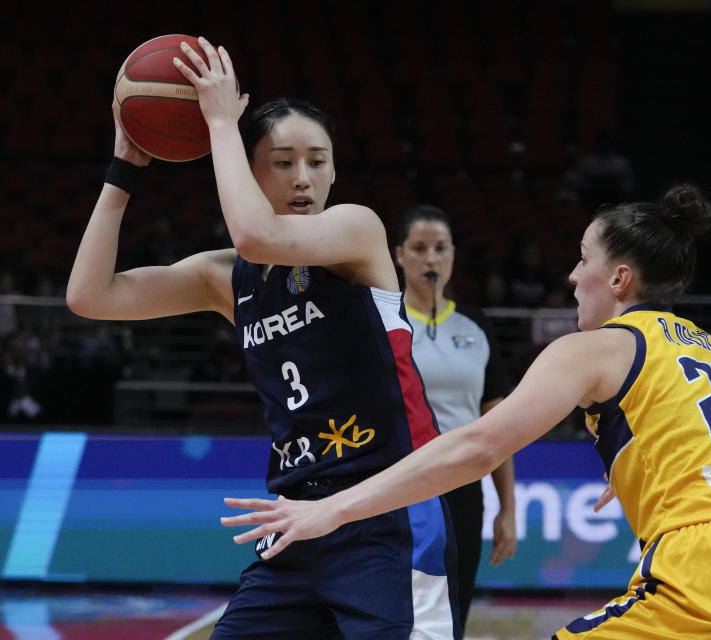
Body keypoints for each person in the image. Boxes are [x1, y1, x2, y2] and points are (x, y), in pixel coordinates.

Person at [222, 184, 711, 639]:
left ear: (621, 279)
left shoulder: (594, 347)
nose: (573, 276)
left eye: (585, 259)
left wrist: (331, 509)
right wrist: (633, 473)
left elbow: (476, 448)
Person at [66, 37, 461, 640]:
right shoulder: (225, 277)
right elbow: (89, 296)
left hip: (387, 510)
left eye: (317, 160)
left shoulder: (357, 231)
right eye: (281, 162)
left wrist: (221, 120)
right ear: (247, 170)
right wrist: (124, 170)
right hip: (292, 520)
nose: (303, 178)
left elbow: (256, 235)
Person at [394, 204, 517, 628]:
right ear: (398, 255)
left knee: (452, 613)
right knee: (393, 611)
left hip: (462, 489)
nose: (431, 259)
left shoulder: (476, 324)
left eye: (440, 248)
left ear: (453, 255)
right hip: (396, 488)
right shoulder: (382, 323)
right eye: (419, 248)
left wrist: (508, 509)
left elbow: (496, 423)